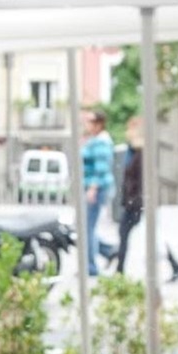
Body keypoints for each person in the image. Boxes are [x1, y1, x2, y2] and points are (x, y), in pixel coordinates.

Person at [101, 116, 178, 281]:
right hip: (134, 202)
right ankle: (175, 265)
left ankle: (119, 269)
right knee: (139, 235)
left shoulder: (142, 153)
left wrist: (136, 201)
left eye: (130, 129)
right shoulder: (132, 151)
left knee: (131, 234)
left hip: (138, 203)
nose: (126, 132)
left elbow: (142, 181)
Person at [80, 111, 114, 276]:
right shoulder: (95, 141)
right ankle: (108, 251)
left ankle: (91, 266)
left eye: (90, 121)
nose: (86, 124)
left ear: (99, 124)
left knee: (88, 228)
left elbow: (101, 168)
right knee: (85, 227)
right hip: (92, 188)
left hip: (95, 189)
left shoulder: (101, 142)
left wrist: (92, 189)